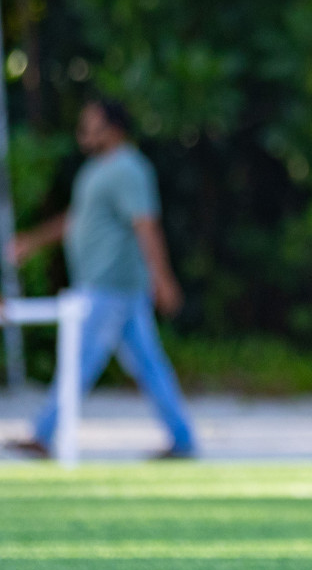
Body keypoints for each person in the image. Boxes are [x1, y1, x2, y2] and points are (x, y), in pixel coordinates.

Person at [5, 98, 196, 459]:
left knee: (80, 359)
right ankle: (182, 438)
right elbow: (76, 219)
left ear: (114, 128)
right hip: (108, 287)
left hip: (111, 286)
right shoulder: (96, 170)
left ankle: (44, 432)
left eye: (92, 124)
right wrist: (32, 242)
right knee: (149, 365)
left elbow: (146, 225)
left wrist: (163, 277)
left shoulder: (128, 169)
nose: (84, 132)